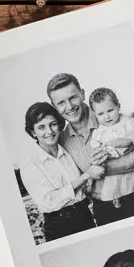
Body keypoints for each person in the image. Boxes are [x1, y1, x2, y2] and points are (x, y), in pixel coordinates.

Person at [46, 73, 134, 225]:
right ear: (55, 107)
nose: (70, 107)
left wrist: (102, 169)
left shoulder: (107, 112)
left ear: (82, 94)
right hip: (104, 208)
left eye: (73, 97)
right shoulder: (62, 142)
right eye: (61, 103)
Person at [19, 102, 98, 242]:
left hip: (85, 216)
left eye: (53, 124)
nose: (49, 131)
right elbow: (49, 201)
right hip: (60, 225)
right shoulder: (30, 162)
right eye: (41, 127)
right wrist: (85, 176)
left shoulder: (66, 150)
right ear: (33, 132)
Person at [85, 88, 134, 225]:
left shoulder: (128, 122)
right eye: (101, 113)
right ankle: (116, 198)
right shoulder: (97, 134)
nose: (107, 117)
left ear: (118, 106)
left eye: (110, 110)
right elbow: (97, 158)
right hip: (116, 182)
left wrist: (120, 146)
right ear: (94, 114)